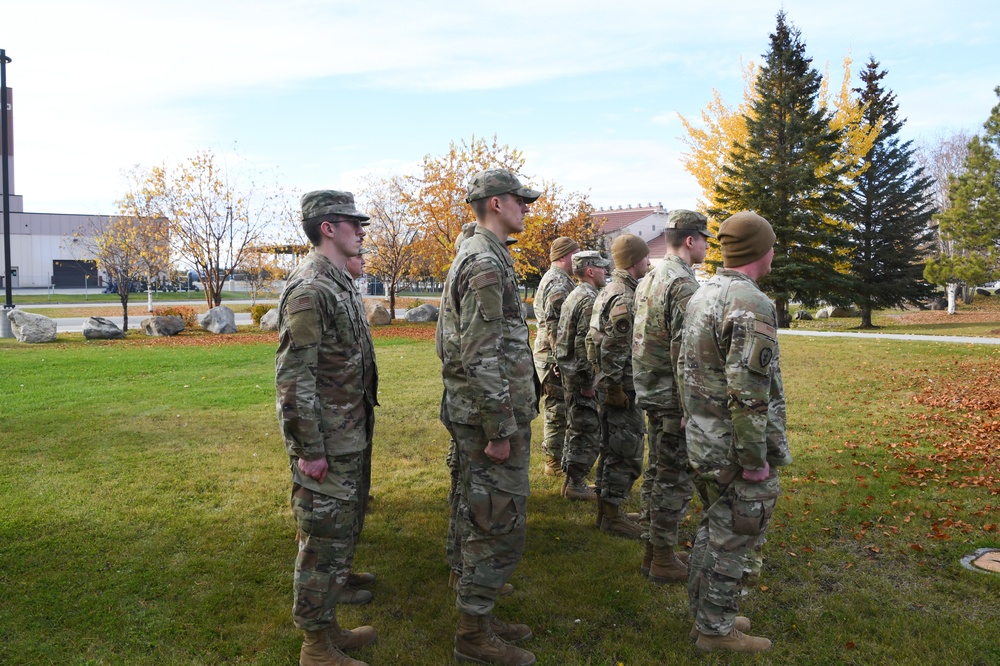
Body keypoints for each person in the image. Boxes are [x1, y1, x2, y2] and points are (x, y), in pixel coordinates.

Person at [437, 169, 541, 666]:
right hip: (489, 418)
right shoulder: (483, 260)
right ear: (497, 203)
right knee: (495, 520)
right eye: (521, 201)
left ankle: (480, 612)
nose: (527, 208)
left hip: (479, 412)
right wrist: (499, 428)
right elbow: (481, 351)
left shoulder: (484, 253)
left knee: (480, 512)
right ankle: (474, 636)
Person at [275, 190, 379, 666]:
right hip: (326, 444)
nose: (361, 230)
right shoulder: (311, 289)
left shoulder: (338, 283)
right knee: (320, 543)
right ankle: (315, 648)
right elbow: (295, 377)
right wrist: (308, 449)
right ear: (327, 228)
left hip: (348, 435)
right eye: (352, 223)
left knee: (338, 537)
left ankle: (330, 628)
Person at [680, 211, 792, 654]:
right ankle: (716, 632)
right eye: (772, 245)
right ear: (759, 250)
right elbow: (748, 391)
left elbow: (684, 363)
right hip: (732, 446)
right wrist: (754, 460)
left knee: (714, 528)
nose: (774, 253)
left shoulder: (704, 293)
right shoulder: (750, 302)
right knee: (736, 534)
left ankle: (708, 614)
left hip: (704, 437)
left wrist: (692, 415)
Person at [632, 210, 713, 581]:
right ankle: (663, 558)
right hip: (671, 397)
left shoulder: (650, 277)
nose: (709, 245)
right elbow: (685, 352)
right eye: (706, 238)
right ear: (691, 240)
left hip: (652, 388)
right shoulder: (682, 285)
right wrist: (687, 407)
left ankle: (653, 552)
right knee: (673, 478)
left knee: (657, 472)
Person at [587, 234, 649, 538]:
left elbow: (592, 340)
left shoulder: (608, 290)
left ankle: (607, 512)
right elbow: (613, 345)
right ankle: (612, 514)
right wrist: (613, 386)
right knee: (625, 450)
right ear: (635, 261)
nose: (649, 263)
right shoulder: (624, 295)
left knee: (612, 447)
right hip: (621, 386)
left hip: (611, 382)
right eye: (646, 258)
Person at [555, 250, 610, 501]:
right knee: (586, 430)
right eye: (602, 268)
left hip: (571, 373)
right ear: (590, 271)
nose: (606, 272)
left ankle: (571, 482)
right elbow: (583, 343)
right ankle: (576, 484)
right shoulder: (589, 300)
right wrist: (588, 381)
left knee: (576, 427)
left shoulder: (576, 294)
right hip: (580, 377)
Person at [532, 236, 581, 476]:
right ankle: (553, 462)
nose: (579, 258)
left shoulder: (557, 278)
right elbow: (554, 325)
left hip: (550, 353)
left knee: (559, 406)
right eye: (575, 254)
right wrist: (559, 358)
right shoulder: (558, 283)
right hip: (552, 356)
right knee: (557, 408)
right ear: (563, 256)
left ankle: (559, 458)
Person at [345, 247, 376, 530]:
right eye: (359, 255)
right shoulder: (316, 287)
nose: (364, 259)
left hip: (355, 405)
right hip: (334, 413)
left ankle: (340, 569)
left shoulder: (349, 288)